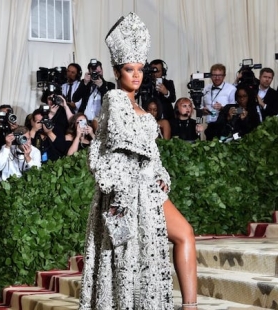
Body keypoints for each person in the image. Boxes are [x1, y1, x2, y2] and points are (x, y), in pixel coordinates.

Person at [79, 12, 197, 310]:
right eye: (129, 69)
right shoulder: (115, 99)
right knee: (133, 256)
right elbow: (116, 145)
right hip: (127, 192)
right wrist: (126, 188)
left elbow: (151, 153)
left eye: (140, 69)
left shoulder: (138, 104)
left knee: (183, 235)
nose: (136, 74)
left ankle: (190, 306)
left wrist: (159, 173)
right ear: (117, 72)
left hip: (148, 189)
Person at [71, 59, 115, 126]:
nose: (96, 75)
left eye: (98, 72)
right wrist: (85, 83)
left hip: (100, 123)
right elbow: (75, 98)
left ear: (102, 71)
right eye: (94, 73)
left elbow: (110, 102)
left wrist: (101, 86)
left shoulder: (110, 85)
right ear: (89, 72)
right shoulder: (85, 83)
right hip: (85, 121)